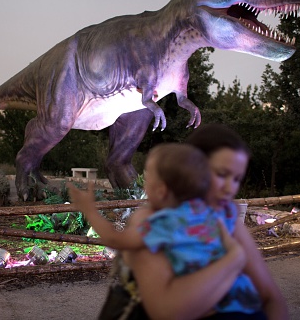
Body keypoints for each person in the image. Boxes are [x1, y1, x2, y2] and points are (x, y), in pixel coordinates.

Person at [68, 142, 266, 319]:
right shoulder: (206, 214)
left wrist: (89, 210)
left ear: (160, 190)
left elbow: (116, 239)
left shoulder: (165, 223)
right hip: (245, 302)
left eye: (147, 179)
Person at [123, 124, 288, 320]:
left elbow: (271, 297)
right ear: (189, 169)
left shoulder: (225, 219)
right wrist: (233, 259)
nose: (230, 189)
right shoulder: (154, 222)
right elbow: (165, 311)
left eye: (237, 179)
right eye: (221, 174)